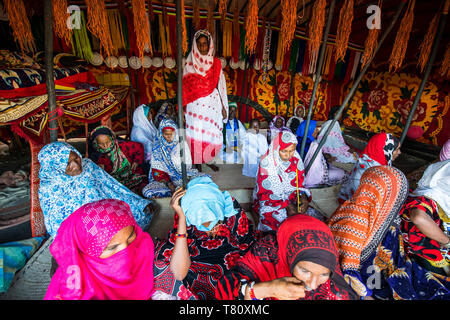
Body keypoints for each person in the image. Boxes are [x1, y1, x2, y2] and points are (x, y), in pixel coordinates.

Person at [329, 165, 450, 299]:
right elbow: (348, 271)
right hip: (368, 282)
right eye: (396, 194)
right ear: (386, 193)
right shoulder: (355, 222)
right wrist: (366, 295)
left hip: (384, 272)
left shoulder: (380, 214)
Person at [152, 177, 257, 300]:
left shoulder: (230, 208)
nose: (207, 227)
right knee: (161, 264)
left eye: (210, 220)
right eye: (199, 221)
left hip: (228, 261)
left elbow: (245, 242)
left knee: (245, 276)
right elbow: (179, 273)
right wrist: (181, 217)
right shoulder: (186, 211)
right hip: (194, 260)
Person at [215, 214, 359, 300]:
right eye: (305, 271)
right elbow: (224, 292)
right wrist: (266, 289)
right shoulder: (266, 253)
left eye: (324, 274)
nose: (314, 285)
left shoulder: (332, 286)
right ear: (289, 256)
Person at [38, 141, 155, 238]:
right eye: (67, 164)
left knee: (142, 214)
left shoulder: (88, 166)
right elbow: (57, 224)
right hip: (83, 230)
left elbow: (113, 188)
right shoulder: (49, 189)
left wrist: (138, 203)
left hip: (109, 212)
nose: (76, 165)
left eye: (76, 158)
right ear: (54, 167)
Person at [44, 199, 155, 300]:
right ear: (87, 252)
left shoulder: (143, 246)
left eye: (130, 237)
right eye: (112, 247)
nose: (127, 252)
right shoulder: (75, 291)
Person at [253, 131, 317, 232]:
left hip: (291, 195)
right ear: (276, 148)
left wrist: (303, 197)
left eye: (291, 150)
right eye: (284, 151)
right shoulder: (267, 163)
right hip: (272, 199)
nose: (288, 155)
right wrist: (287, 205)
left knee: (309, 217)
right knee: (279, 223)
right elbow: (268, 192)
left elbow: (300, 185)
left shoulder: (296, 159)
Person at [182, 29, 229, 168]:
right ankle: (197, 164)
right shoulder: (188, 64)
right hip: (194, 109)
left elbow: (221, 86)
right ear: (195, 45)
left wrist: (224, 107)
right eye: (200, 44)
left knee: (210, 134)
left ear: (209, 45)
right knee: (196, 135)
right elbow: (184, 90)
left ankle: (208, 159)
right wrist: (183, 110)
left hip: (212, 108)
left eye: (205, 44)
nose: (203, 47)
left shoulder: (216, 64)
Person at [400, 160, 450, 276]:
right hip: (423, 254)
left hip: (434, 251)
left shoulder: (442, 198)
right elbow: (419, 218)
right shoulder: (426, 199)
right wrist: (447, 241)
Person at [142, 119, 204, 198]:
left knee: (204, 178)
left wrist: (185, 178)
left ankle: (181, 192)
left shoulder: (181, 144)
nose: (169, 137)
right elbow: (156, 171)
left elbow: (187, 167)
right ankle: (183, 192)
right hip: (164, 180)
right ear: (161, 134)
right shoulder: (157, 147)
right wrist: (169, 183)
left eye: (171, 134)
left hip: (183, 176)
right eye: (166, 134)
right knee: (148, 191)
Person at [338, 132, 401, 203]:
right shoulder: (372, 169)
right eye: (397, 149)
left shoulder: (369, 160)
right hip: (355, 204)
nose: (399, 152)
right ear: (387, 149)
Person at [89, 126, 147, 194]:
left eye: (108, 142)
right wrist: (100, 169)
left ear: (112, 138)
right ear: (96, 143)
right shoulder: (96, 155)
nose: (105, 146)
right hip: (115, 181)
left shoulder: (124, 146)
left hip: (131, 174)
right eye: (101, 144)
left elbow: (139, 147)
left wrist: (137, 161)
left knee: (142, 186)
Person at [297, 120, 348, 188]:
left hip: (301, 173)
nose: (317, 131)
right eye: (314, 129)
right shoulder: (313, 145)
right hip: (312, 177)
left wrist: (324, 156)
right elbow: (315, 167)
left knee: (335, 168)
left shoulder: (297, 140)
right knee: (343, 173)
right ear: (309, 130)